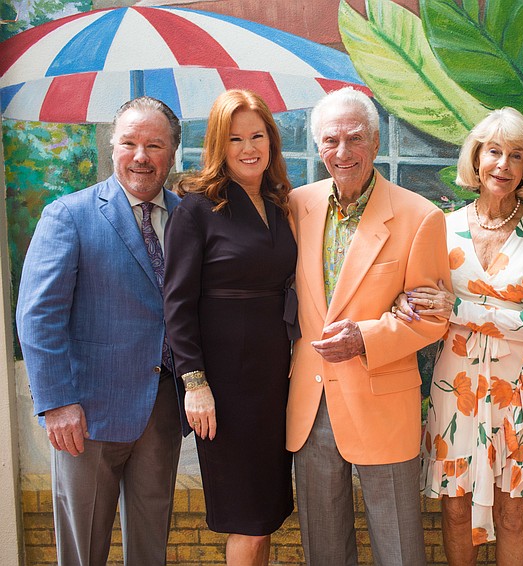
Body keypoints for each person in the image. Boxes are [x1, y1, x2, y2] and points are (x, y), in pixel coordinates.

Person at [393, 107, 523, 565]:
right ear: (476, 159)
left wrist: (460, 309)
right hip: (456, 389)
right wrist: (404, 304)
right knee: (454, 512)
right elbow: (419, 300)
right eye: (494, 152)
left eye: (516, 156)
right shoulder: (441, 228)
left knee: (515, 514)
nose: (503, 165)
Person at [16, 97, 186, 565]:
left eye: (154, 145)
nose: (141, 156)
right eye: (129, 142)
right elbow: (37, 315)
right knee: (83, 546)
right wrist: (55, 403)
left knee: (151, 546)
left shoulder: (189, 217)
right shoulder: (69, 215)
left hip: (162, 409)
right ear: (113, 147)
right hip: (85, 416)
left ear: (172, 153)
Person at [286, 86, 451, 566]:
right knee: (324, 548)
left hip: (383, 400)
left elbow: (433, 317)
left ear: (376, 144)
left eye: (355, 139)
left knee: (398, 547)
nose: (343, 152)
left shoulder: (420, 217)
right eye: (331, 141)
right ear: (318, 147)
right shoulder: (296, 207)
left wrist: (366, 336)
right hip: (310, 403)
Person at [162, 89, 298, 565]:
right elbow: (177, 303)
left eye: (257, 135)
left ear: (271, 140)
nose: (248, 148)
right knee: (247, 518)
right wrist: (194, 383)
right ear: (219, 144)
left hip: (274, 382)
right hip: (224, 384)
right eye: (235, 137)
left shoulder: (281, 203)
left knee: (267, 517)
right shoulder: (195, 208)